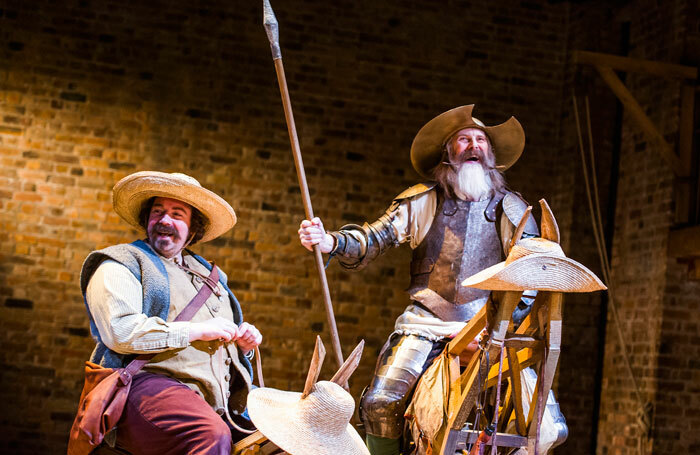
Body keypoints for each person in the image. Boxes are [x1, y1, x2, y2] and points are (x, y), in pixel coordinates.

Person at [298, 105, 544, 455]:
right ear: (447, 152)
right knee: (380, 405)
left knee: (541, 421)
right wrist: (330, 242)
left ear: (490, 154)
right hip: (425, 325)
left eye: (480, 140)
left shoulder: (514, 210)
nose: (473, 145)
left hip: (489, 330)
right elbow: (374, 238)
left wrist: (501, 326)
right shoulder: (423, 200)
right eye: (463, 139)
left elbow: (533, 275)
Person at [79, 171, 262, 455]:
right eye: (158, 212)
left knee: (271, 442)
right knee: (208, 434)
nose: (165, 220)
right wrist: (197, 330)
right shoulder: (121, 264)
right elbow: (120, 331)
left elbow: (222, 347)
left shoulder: (210, 277)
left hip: (213, 402)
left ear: (193, 228)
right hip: (145, 389)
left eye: (177, 214)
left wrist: (243, 347)